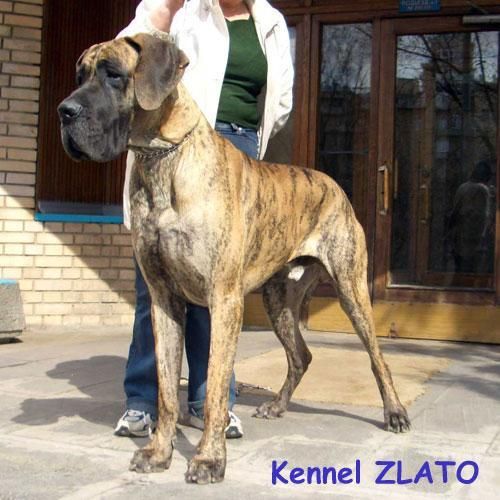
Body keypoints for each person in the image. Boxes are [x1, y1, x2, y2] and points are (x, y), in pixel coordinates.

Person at [114, 0, 294, 439]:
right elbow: (124, 53)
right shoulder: (184, 8)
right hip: (175, 142)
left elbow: (281, 99)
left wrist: (245, 142)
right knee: (155, 287)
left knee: (218, 287)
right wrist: (166, 7)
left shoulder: (270, 20)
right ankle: (142, 402)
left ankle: (208, 403)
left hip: (237, 149)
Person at [447, 160, 495, 274]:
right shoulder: (483, 190)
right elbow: (485, 216)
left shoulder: (462, 187)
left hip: (461, 237)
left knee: (462, 270)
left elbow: (455, 212)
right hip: (475, 239)